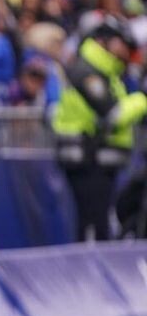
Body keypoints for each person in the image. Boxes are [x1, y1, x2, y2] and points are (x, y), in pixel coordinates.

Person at [52, 18, 147, 241]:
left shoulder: (108, 73)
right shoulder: (87, 71)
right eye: (123, 43)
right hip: (87, 159)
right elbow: (113, 115)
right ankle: (88, 263)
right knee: (92, 225)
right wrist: (143, 99)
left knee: (100, 221)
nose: (127, 50)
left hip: (98, 161)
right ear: (105, 41)